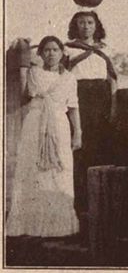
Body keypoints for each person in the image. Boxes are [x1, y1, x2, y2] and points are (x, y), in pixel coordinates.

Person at [6, 36, 81, 237]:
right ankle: (29, 224)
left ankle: (58, 226)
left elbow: (73, 107)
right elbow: (25, 96)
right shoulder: (33, 73)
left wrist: (78, 134)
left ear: (62, 52)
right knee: (32, 169)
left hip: (59, 125)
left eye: (55, 50)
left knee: (59, 170)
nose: (50, 53)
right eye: (46, 50)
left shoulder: (69, 78)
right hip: (35, 123)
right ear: (40, 54)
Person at [65, 11, 117, 229]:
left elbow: (112, 81)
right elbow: (65, 78)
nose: (85, 27)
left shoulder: (105, 50)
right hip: (80, 101)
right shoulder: (68, 48)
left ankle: (103, 207)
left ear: (96, 26)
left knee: (102, 150)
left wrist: (113, 108)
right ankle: (82, 208)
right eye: (81, 23)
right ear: (75, 26)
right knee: (81, 151)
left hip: (102, 102)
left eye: (89, 23)